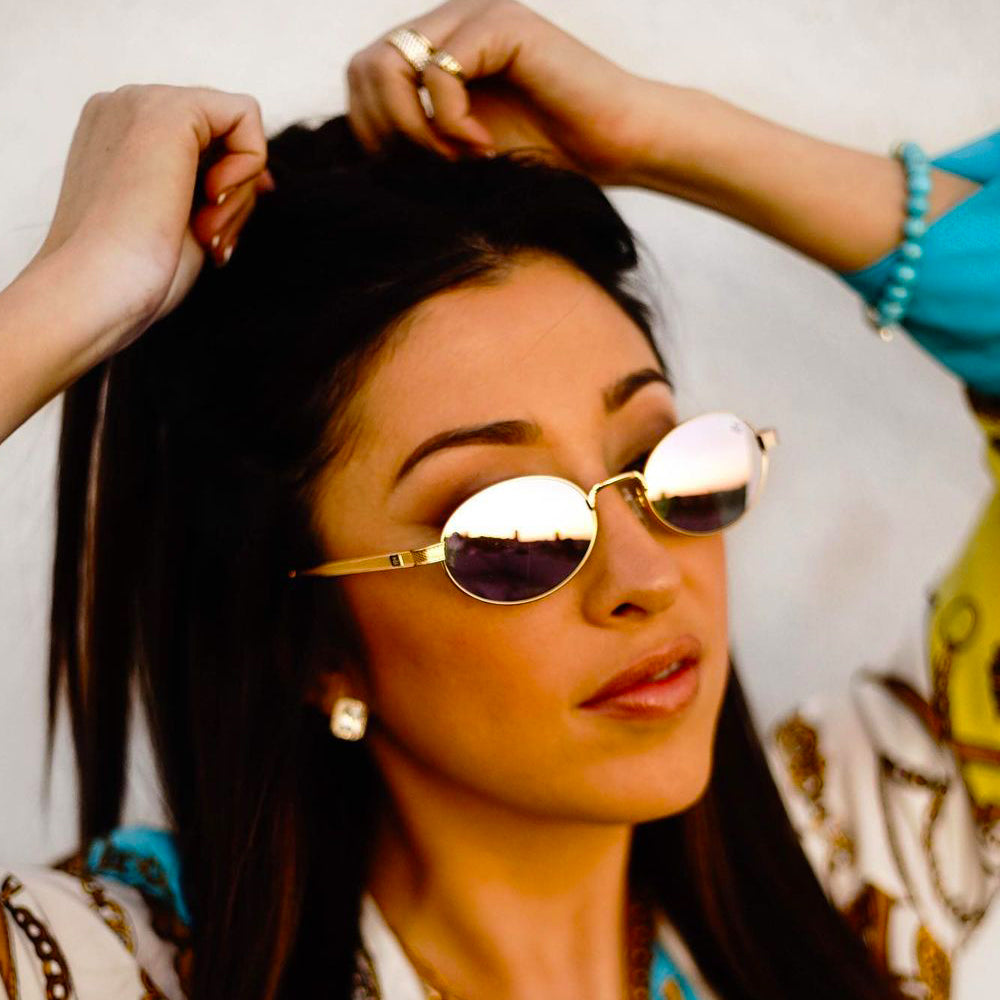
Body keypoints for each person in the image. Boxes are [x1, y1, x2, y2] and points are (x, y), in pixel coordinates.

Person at [0, 1, 996, 998]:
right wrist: (76, 291)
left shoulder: (854, 856)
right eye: (515, 528)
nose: (646, 576)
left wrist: (661, 134)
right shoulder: (110, 966)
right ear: (312, 643)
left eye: (668, 468)